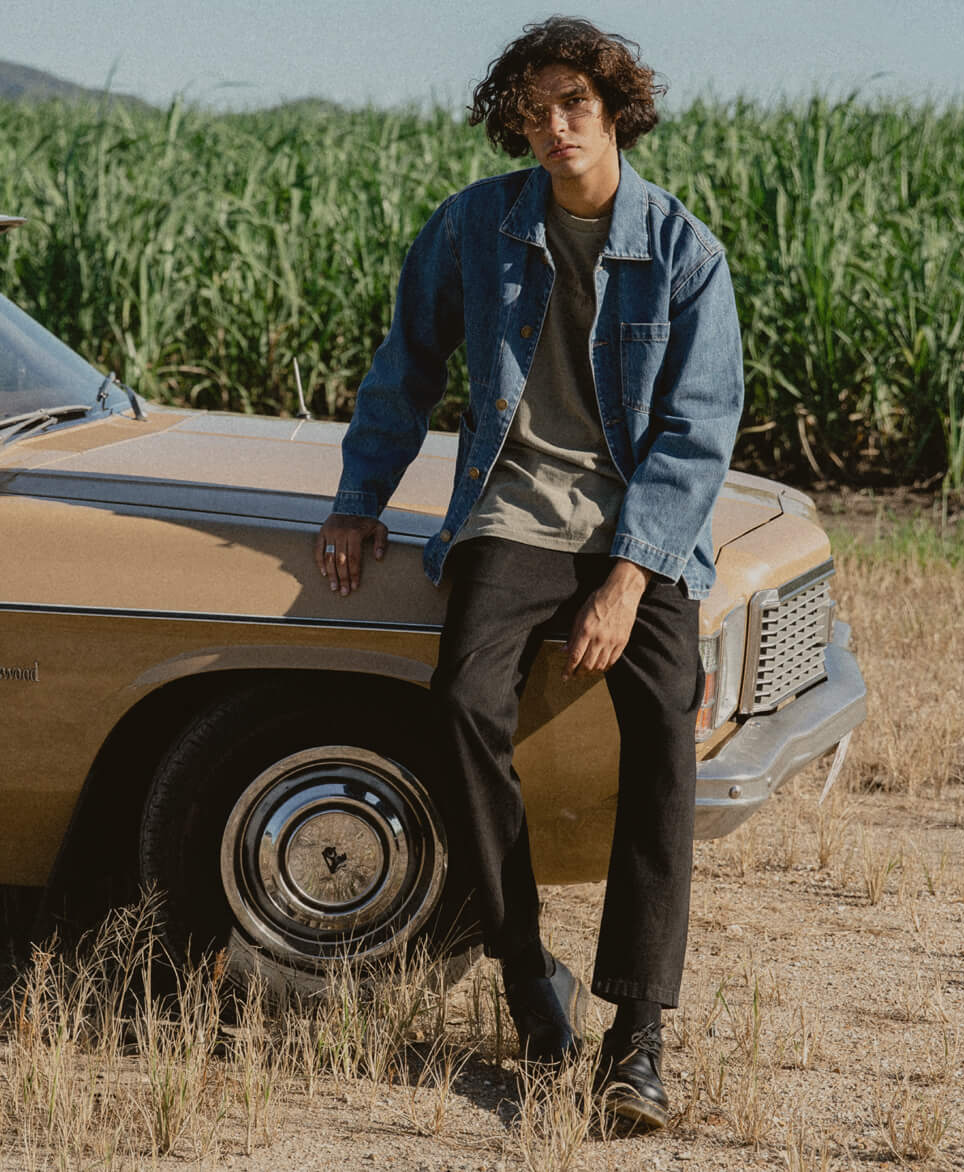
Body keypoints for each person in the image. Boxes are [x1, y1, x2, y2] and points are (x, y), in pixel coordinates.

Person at [313, 16, 742, 1135]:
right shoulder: (476, 227)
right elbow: (402, 366)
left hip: (637, 528)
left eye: (575, 107)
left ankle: (637, 1036)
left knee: (664, 722)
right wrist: (360, 500)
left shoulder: (685, 252)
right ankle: (523, 976)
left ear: (616, 116)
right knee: (459, 701)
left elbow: (695, 435)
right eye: (536, 108)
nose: (553, 128)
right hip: (515, 506)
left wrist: (627, 580)